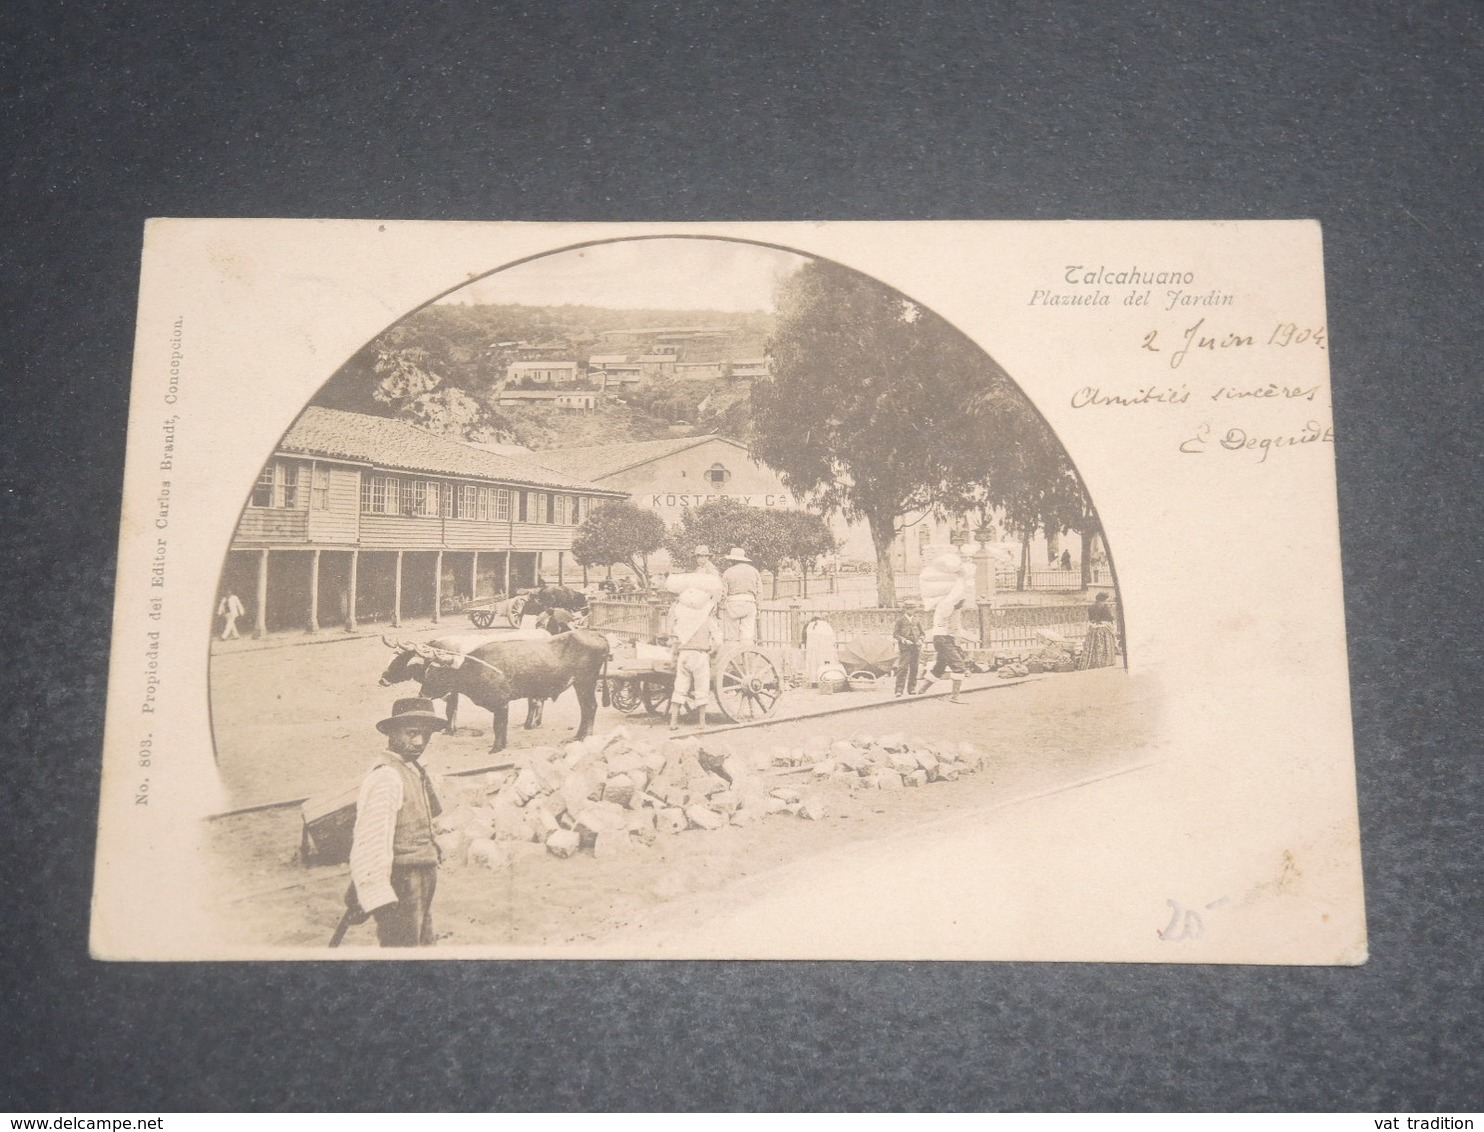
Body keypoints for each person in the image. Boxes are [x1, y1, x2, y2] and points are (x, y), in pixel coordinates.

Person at [347, 697, 447, 947]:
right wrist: (377, 895)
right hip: (401, 882)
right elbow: (370, 840)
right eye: (412, 733)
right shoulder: (387, 777)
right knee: (403, 953)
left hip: (422, 875)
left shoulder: (414, 769)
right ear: (392, 732)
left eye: (426, 735)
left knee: (423, 945)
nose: (419, 742)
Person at [668, 588, 721, 730]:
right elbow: (718, 642)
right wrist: (711, 653)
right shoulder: (708, 621)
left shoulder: (683, 621)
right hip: (700, 655)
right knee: (702, 687)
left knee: (679, 687)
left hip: (683, 655)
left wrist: (674, 657)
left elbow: (674, 640)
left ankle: (673, 722)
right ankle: (702, 723)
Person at [915, 594, 972, 704]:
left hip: (945, 638)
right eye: (961, 600)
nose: (963, 603)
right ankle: (955, 697)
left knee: (939, 667)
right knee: (959, 667)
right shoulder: (947, 607)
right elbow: (951, 627)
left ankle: (921, 691)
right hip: (944, 638)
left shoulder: (952, 608)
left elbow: (955, 628)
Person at [720, 547, 761, 644]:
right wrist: (758, 606)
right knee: (747, 635)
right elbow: (759, 591)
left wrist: (722, 603)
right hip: (750, 603)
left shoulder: (728, 572)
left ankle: (734, 657)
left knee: (732, 635)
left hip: (733, 604)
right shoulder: (754, 571)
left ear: (732, 560)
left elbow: (723, 592)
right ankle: (746, 656)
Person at [1078, 592, 1119, 669]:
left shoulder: (1092, 607)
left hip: (1093, 629)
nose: (1105, 602)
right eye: (1105, 600)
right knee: (1103, 645)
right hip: (1102, 629)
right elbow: (1109, 618)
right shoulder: (1103, 607)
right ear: (1102, 600)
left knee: (1094, 646)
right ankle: (1103, 662)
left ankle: (1094, 662)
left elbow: (1091, 619)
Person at [892, 600, 925, 697]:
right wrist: (904, 640)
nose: (910, 610)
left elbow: (922, 633)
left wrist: (920, 640)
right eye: (908, 608)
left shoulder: (917, 620)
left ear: (915, 609)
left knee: (914, 668)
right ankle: (899, 690)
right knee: (903, 668)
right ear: (904, 609)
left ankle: (912, 688)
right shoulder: (900, 620)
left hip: (916, 647)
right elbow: (895, 634)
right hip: (905, 647)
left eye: (912, 608)